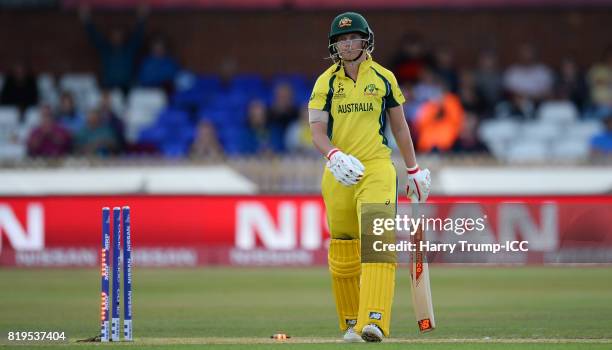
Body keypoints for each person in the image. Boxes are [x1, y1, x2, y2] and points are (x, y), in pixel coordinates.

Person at [308, 12, 431, 343]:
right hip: (338, 171)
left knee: (376, 240)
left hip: (376, 167)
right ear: (334, 46)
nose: (347, 44)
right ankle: (351, 323)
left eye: (353, 38)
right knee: (344, 246)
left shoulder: (384, 77)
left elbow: (400, 126)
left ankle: (374, 320)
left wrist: (413, 169)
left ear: (366, 40)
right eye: (341, 40)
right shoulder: (326, 82)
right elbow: (316, 130)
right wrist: (333, 155)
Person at [79, 4, 148, 93]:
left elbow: (138, 36)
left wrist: (142, 18)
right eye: (114, 35)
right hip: (108, 87)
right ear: (110, 37)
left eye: (119, 35)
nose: (117, 38)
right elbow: (94, 36)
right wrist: (86, 19)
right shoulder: (105, 49)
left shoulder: (129, 49)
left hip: (127, 88)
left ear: (123, 37)